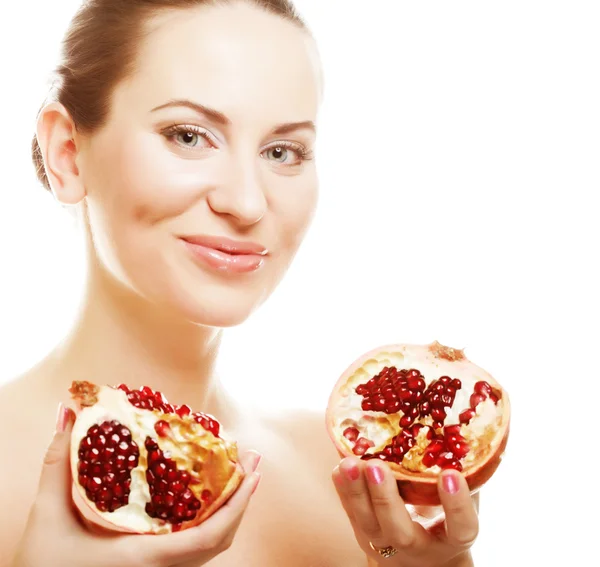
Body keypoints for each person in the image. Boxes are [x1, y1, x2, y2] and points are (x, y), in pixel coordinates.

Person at [0, 1, 480, 566]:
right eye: (187, 136)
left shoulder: (348, 481)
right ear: (67, 155)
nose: (247, 203)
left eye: (283, 151)